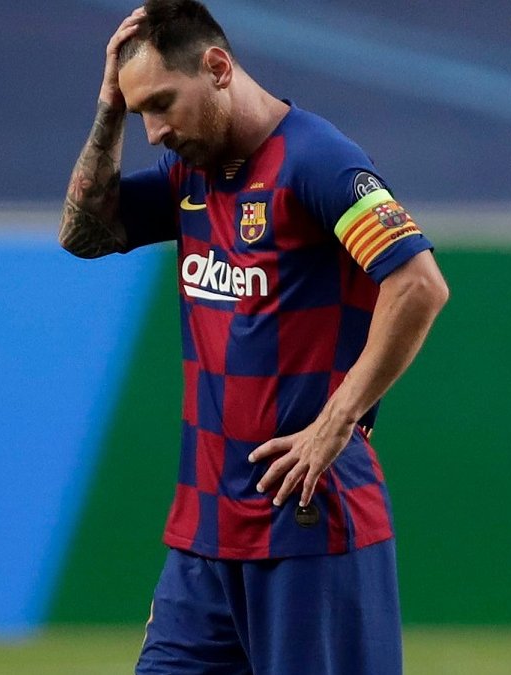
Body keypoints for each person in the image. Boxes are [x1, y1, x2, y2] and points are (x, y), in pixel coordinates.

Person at [59, 2, 449, 673]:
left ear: (218, 68)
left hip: (306, 524)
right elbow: (83, 234)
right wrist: (108, 109)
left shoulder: (318, 162)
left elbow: (418, 283)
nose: (154, 133)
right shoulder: (192, 174)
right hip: (205, 535)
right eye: (139, 112)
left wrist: (335, 422)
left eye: (161, 104)